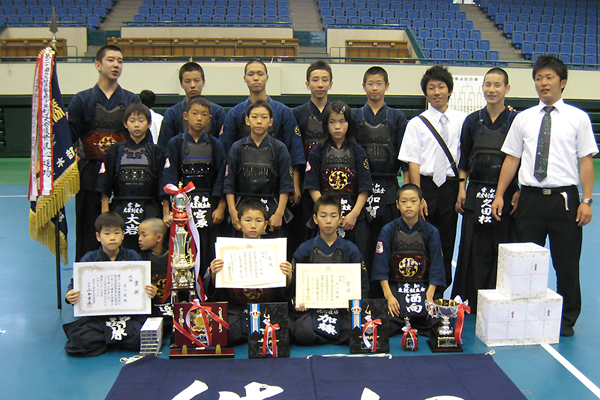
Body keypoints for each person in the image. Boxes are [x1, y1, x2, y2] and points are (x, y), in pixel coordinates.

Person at [491, 54, 598, 337]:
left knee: (566, 262)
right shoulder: (523, 118)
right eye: (538, 78)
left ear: (562, 83)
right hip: (529, 199)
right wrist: (500, 194)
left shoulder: (579, 118)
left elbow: (585, 160)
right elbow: (512, 159)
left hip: (564, 200)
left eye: (549, 78)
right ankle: (522, 314)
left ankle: (566, 319)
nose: (543, 83)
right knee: (524, 261)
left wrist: (587, 200)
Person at [452, 68, 519, 311]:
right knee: (471, 246)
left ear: (507, 89)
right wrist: (462, 188)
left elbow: (521, 158)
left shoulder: (515, 120)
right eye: (488, 84)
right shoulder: (471, 121)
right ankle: (467, 298)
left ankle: (498, 299)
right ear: (482, 88)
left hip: (505, 193)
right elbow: (463, 160)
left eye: (497, 85)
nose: (492, 89)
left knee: (499, 247)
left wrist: (518, 189)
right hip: (475, 191)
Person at [398, 65, 467, 297]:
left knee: (446, 241)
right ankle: (420, 285)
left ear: (449, 90)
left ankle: (439, 293)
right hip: (425, 186)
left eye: (441, 87)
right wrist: (418, 197)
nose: (436, 91)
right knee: (422, 240)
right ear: (425, 92)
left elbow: (464, 158)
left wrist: (461, 188)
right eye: (431, 88)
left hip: (450, 186)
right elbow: (412, 162)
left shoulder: (462, 120)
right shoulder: (416, 123)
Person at [68, 45, 141, 261]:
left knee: (125, 231)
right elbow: (68, 138)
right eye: (111, 60)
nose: (116, 65)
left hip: (123, 177)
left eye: (120, 61)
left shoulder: (131, 100)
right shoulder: (81, 100)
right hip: (90, 175)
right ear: (98, 65)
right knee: (89, 231)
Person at [63, 212, 157, 357]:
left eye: (117, 233)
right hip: (99, 317)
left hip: (128, 316)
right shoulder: (89, 259)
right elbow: (75, 285)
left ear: (123, 235)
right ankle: (118, 339)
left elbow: (146, 284)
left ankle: (107, 340)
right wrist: (70, 295)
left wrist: (151, 290)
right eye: (107, 233)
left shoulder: (132, 256)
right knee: (78, 341)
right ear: (98, 236)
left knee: (144, 337)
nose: (112, 237)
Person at [206, 199, 294, 345]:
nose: (253, 225)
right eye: (248, 220)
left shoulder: (275, 250)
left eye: (258, 221)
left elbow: (285, 292)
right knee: (220, 332)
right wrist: (215, 275)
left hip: (267, 308)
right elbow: (214, 292)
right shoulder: (226, 249)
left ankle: (254, 333)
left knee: (289, 329)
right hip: (237, 309)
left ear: (266, 224)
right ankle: (254, 333)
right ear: (238, 223)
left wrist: (288, 276)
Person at [220, 60, 304, 209]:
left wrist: (294, 184)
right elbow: (226, 155)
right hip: (242, 187)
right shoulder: (235, 113)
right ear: (244, 78)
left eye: (260, 74)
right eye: (251, 74)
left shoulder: (283, 111)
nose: (256, 78)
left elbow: (295, 151)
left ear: (267, 77)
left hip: (276, 186)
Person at [161, 95, 227, 280]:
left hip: (209, 203)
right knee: (184, 246)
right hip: (183, 205)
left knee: (208, 245)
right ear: (185, 116)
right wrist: (167, 210)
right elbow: (169, 177)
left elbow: (222, 177)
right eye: (195, 113)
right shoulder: (175, 143)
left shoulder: (216, 144)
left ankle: (207, 287)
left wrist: (221, 206)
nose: (199, 118)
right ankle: (185, 287)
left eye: (204, 114)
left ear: (210, 119)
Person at [353, 66, 408, 287]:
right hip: (361, 188)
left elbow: (405, 157)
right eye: (370, 83)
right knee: (362, 243)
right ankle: (363, 293)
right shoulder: (354, 115)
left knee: (387, 242)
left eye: (379, 83)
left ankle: (387, 294)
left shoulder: (397, 117)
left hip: (389, 186)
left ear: (387, 86)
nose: (374, 88)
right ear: (363, 86)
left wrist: (407, 191)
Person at [304, 101, 372, 277]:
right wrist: (326, 213)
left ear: (349, 123)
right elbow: (312, 185)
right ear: (326, 124)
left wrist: (354, 214)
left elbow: (365, 186)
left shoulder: (358, 151)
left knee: (357, 261)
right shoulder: (317, 151)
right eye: (332, 122)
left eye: (342, 121)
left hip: (353, 215)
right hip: (325, 211)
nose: (337, 126)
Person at [291, 193, 368, 345]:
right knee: (300, 330)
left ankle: (321, 337)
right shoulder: (304, 249)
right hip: (313, 310)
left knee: (358, 329)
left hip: (342, 311)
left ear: (340, 219)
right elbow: (294, 285)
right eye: (323, 216)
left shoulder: (351, 249)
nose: (328, 221)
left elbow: (363, 284)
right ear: (315, 219)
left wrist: (355, 304)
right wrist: (296, 300)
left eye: (333, 216)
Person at [371, 184, 445, 337]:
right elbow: (381, 264)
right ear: (397, 204)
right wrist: (388, 295)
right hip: (396, 288)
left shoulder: (431, 231)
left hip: (422, 287)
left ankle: (409, 322)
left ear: (421, 203)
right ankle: (408, 321)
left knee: (439, 320)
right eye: (404, 201)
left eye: (413, 201)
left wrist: (430, 294)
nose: (408, 205)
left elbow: (437, 265)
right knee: (381, 320)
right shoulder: (388, 230)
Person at [97, 103, 165, 252]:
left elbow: (163, 183)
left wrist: (165, 212)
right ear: (125, 124)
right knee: (122, 247)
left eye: (141, 121)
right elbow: (105, 181)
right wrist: (105, 210)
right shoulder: (116, 150)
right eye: (132, 121)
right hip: (121, 206)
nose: (136, 125)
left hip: (149, 207)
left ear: (148, 124)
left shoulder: (156, 151)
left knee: (149, 246)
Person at [224, 100, 295, 238]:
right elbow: (228, 183)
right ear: (247, 120)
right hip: (242, 208)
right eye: (254, 117)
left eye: (264, 117)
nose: (259, 121)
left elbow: (286, 185)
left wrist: (279, 213)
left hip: (272, 207)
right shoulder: (237, 147)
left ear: (271, 122)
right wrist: (233, 212)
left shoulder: (279, 148)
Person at [290, 60, 334, 256]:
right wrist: (296, 184)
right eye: (315, 80)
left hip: (333, 182)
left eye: (325, 80)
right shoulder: (297, 114)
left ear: (331, 84)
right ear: (307, 84)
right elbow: (295, 152)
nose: (320, 84)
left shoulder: (338, 113)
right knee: (305, 233)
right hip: (307, 186)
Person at [157, 62, 226, 149]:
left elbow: (223, 146)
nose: (192, 85)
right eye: (187, 81)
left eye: (197, 81)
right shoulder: (172, 113)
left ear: (203, 82)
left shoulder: (217, 112)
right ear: (181, 84)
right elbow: (164, 147)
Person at [138, 218, 172, 330]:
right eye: (139, 235)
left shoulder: (174, 255)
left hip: (169, 303)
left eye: (144, 235)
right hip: (150, 304)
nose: (139, 239)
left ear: (159, 237)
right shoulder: (138, 258)